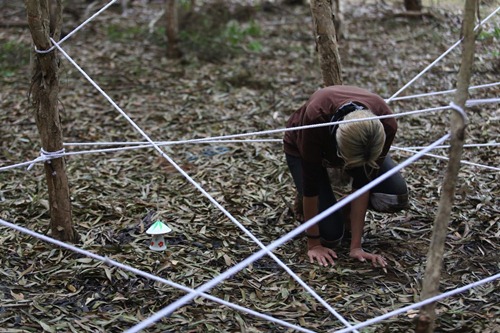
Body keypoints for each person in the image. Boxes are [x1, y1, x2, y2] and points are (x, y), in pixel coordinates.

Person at [283, 85, 409, 267]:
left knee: (394, 197)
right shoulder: (316, 118)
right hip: (303, 146)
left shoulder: (387, 123)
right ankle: (330, 214)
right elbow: (311, 188)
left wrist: (356, 246)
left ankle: (343, 211)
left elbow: (363, 184)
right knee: (331, 236)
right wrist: (314, 243)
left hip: (363, 144)